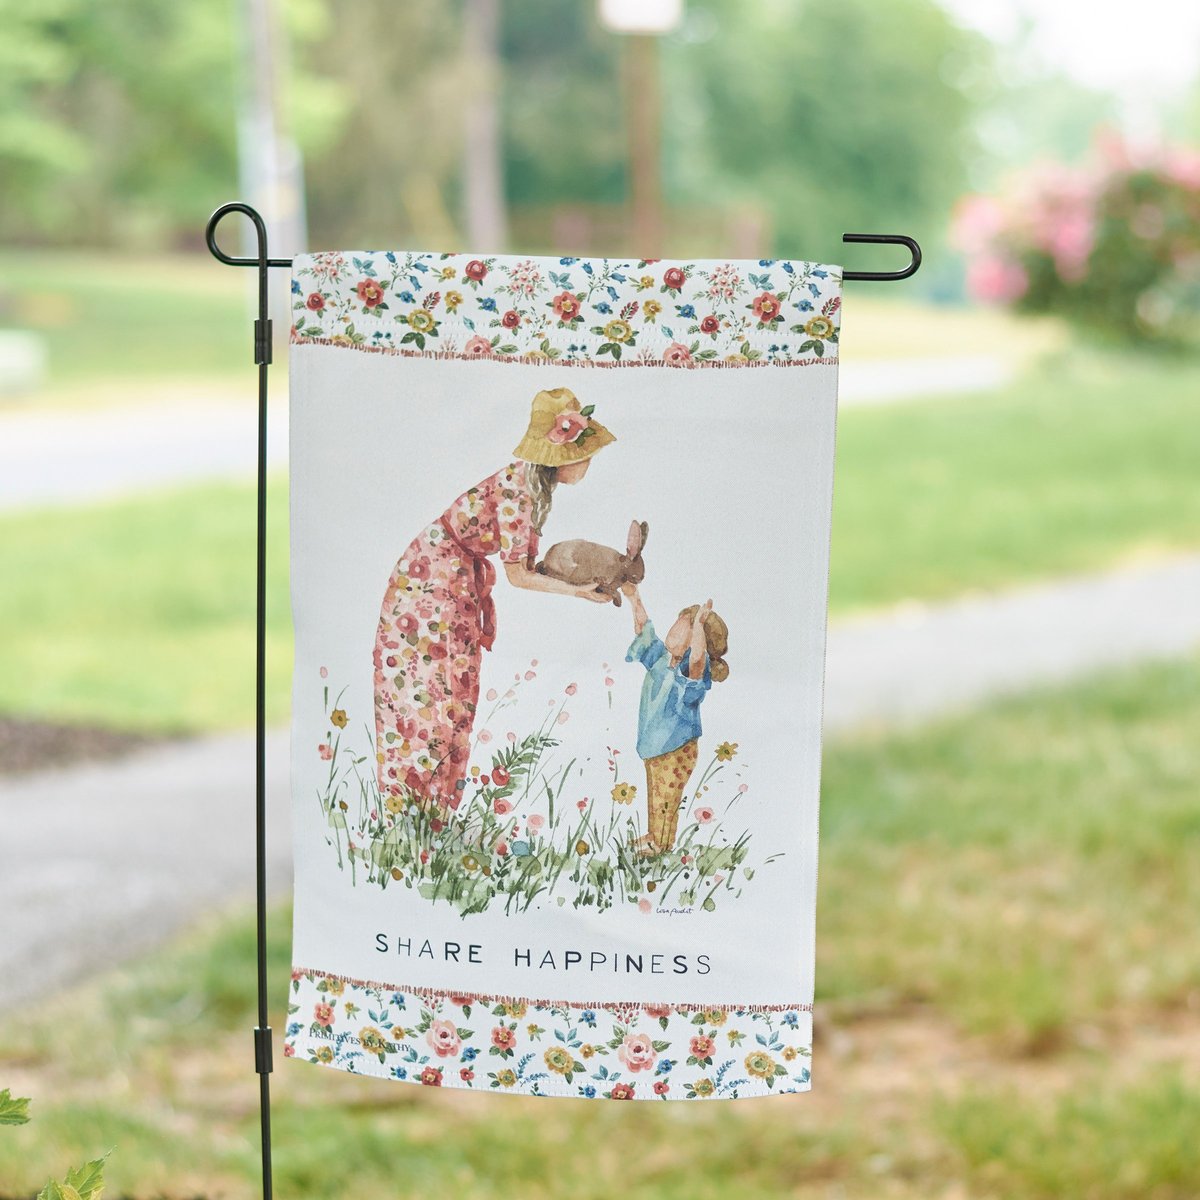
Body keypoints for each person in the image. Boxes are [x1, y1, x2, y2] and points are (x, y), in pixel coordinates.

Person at [373, 387, 615, 811]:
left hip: (453, 576)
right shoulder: (519, 492)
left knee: (455, 687)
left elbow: (528, 564)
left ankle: (438, 808)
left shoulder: (531, 486)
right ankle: (416, 804)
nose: (588, 464)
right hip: (433, 581)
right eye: (585, 455)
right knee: (436, 688)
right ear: (560, 458)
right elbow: (519, 575)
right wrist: (577, 591)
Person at [622, 586, 730, 853]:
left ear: (695, 640)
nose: (672, 630)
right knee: (656, 794)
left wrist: (699, 626)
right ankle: (654, 835)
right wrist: (634, 597)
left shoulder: (690, 674)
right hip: (655, 745)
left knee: (666, 798)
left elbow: (697, 660)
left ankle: (661, 844)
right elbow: (643, 630)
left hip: (676, 748)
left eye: (682, 627)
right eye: (676, 623)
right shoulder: (662, 659)